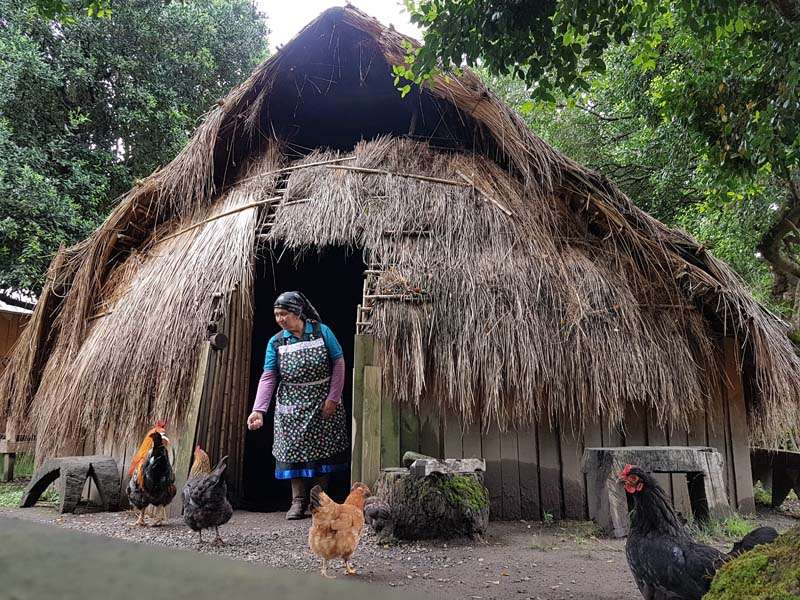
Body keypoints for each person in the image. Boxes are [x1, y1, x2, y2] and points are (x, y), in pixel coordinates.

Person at [246, 291, 348, 519]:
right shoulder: (277, 341)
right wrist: (258, 410)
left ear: (298, 312)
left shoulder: (322, 332)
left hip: (322, 401)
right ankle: (298, 501)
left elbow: (339, 363)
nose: (280, 319)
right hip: (291, 405)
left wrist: (333, 398)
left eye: (284, 314)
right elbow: (269, 376)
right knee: (292, 451)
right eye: (276, 315)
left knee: (324, 450)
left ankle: (319, 502)